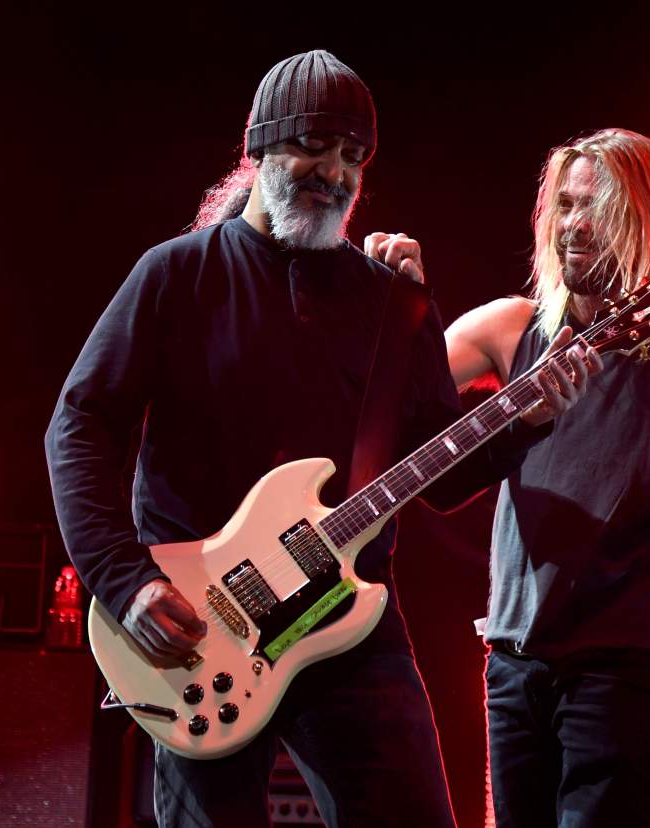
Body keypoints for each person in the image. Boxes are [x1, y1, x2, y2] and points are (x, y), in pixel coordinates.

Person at [45, 50, 597, 828]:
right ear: (261, 147)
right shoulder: (175, 275)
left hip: (350, 626)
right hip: (203, 625)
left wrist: (522, 423)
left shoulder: (390, 301)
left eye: (353, 157)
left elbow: (437, 470)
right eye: (315, 146)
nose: (335, 173)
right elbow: (80, 426)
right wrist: (122, 578)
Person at [372, 128, 650, 826]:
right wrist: (398, 306)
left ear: (644, 222)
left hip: (625, 662)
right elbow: (385, 402)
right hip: (513, 654)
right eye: (564, 205)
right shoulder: (511, 328)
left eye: (594, 209)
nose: (573, 225)